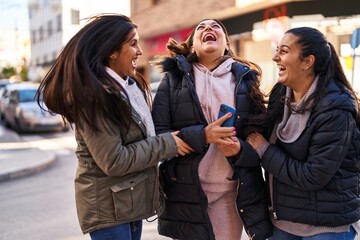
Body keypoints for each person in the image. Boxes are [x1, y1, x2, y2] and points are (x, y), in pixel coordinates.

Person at [36, 14, 188, 240]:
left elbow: (141, 136)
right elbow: (115, 160)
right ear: (111, 51)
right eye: (133, 43)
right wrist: (168, 144)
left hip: (126, 202)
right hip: (109, 210)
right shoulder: (94, 97)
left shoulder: (127, 88)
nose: (140, 51)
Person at [151, 19, 273, 240]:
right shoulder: (172, 81)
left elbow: (259, 140)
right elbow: (158, 137)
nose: (208, 29)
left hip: (231, 193)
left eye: (216, 27)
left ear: (227, 43)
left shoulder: (245, 81)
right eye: (201, 28)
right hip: (186, 193)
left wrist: (239, 150)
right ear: (192, 46)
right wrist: (204, 136)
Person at [246, 26, 360, 240]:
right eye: (277, 49)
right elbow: (256, 140)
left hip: (326, 228)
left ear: (308, 62)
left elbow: (312, 176)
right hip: (284, 222)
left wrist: (263, 149)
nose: (275, 57)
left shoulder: (335, 109)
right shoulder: (281, 95)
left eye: (284, 51)